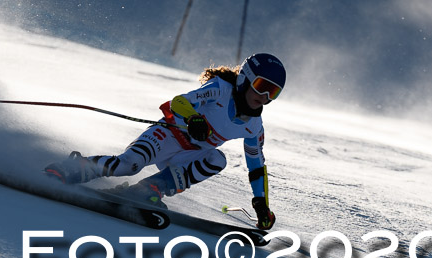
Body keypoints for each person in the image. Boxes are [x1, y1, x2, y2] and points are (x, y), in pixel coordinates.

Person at [44, 53, 286, 230]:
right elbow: (177, 102)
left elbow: (256, 167)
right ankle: (70, 169)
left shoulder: (254, 126)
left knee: (216, 159)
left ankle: (149, 189)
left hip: (188, 154)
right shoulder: (221, 88)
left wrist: (261, 204)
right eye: (261, 86)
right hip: (169, 135)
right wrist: (193, 118)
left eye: (273, 92)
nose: (264, 97)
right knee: (126, 166)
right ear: (246, 78)